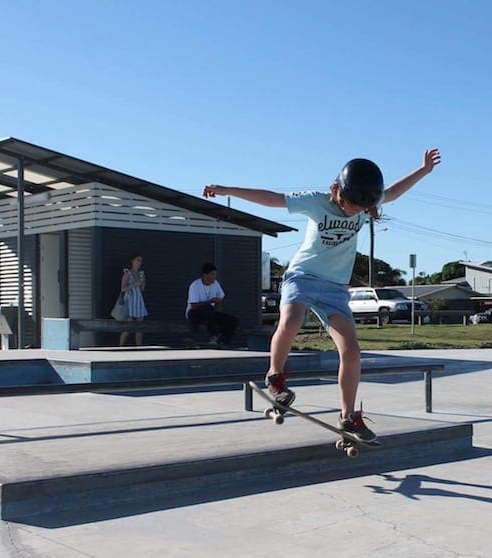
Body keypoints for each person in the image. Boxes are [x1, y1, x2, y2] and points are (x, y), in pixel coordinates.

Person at [203, 148, 441, 442]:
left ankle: (348, 417)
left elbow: (393, 191)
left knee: (352, 352)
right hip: (302, 277)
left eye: (360, 207)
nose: (354, 210)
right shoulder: (316, 202)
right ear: (339, 191)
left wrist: (423, 170)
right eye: (351, 204)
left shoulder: (367, 204)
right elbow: (272, 198)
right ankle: (275, 378)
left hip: (335, 290)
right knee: (291, 321)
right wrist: (227, 189)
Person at [185, 261, 238, 346]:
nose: (214, 277)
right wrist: (210, 301)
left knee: (233, 320)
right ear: (205, 275)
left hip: (210, 314)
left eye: (215, 275)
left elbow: (219, 299)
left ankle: (223, 341)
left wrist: (218, 312)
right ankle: (213, 335)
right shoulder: (195, 285)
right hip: (194, 314)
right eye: (212, 274)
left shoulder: (216, 284)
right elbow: (193, 306)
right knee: (208, 308)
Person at [117, 252, 148, 346]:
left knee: (139, 327)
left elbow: (142, 289)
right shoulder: (127, 273)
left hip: (138, 300)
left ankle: (139, 347)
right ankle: (120, 346)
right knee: (128, 326)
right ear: (132, 261)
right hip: (129, 300)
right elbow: (123, 288)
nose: (139, 263)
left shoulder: (141, 274)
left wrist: (142, 283)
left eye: (141, 261)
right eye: (138, 260)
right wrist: (135, 284)